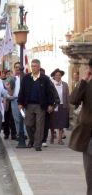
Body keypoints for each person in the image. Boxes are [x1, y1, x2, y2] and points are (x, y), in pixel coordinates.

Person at [17, 59, 54, 151]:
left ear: (39, 67)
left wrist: (50, 104)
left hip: (40, 105)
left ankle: (37, 145)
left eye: (35, 66)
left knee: (40, 125)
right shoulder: (26, 78)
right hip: (29, 105)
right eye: (32, 66)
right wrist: (20, 103)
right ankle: (33, 140)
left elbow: (49, 92)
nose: (33, 68)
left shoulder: (45, 79)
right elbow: (21, 91)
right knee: (28, 124)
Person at [69, 58, 92, 194]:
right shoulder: (87, 85)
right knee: (90, 170)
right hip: (89, 133)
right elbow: (73, 100)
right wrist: (82, 81)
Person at [39, 68, 60, 148]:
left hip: (47, 106)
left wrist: (56, 102)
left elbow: (54, 93)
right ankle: (36, 138)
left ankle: (44, 139)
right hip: (36, 105)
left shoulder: (49, 83)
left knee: (45, 123)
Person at [49, 68, 70, 145]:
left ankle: (60, 138)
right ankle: (52, 136)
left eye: (59, 75)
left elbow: (67, 96)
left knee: (62, 123)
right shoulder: (51, 84)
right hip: (54, 105)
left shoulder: (65, 84)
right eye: (56, 75)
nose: (58, 76)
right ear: (54, 76)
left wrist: (68, 106)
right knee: (52, 122)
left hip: (62, 105)